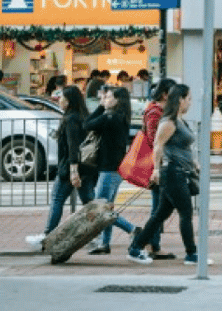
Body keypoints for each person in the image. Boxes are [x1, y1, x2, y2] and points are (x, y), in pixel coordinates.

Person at [128, 84, 207, 266]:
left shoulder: (179, 120)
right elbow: (158, 145)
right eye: (189, 99)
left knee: (160, 214)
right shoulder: (169, 122)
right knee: (185, 212)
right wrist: (156, 169)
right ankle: (191, 254)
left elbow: (181, 146)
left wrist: (193, 162)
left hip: (179, 171)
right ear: (180, 99)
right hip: (172, 172)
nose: (190, 103)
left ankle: (136, 247)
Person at [28, 85, 96, 247]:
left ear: (69, 100)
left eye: (62, 97)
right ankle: (108, 234)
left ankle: (47, 235)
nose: (59, 100)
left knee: (58, 199)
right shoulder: (83, 116)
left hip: (70, 168)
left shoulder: (71, 119)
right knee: (91, 203)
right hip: (86, 167)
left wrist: (73, 171)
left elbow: (73, 146)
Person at [84, 85, 138, 254]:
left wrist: (100, 106)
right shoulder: (120, 117)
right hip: (114, 169)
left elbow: (87, 124)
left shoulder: (110, 118)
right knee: (107, 207)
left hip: (109, 170)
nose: (105, 100)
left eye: (108, 97)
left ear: (117, 100)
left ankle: (132, 229)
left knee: (102, 210)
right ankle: (104, 243)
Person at [136, 79, 179, 259]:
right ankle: (150, 244)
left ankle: (150, 243)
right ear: (165, 95)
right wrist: (157, 169)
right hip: (158, 166)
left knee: (159, 208)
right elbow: (156, 142)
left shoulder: (157, 111)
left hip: (160, 166)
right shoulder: (155, 113)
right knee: (158, 209)